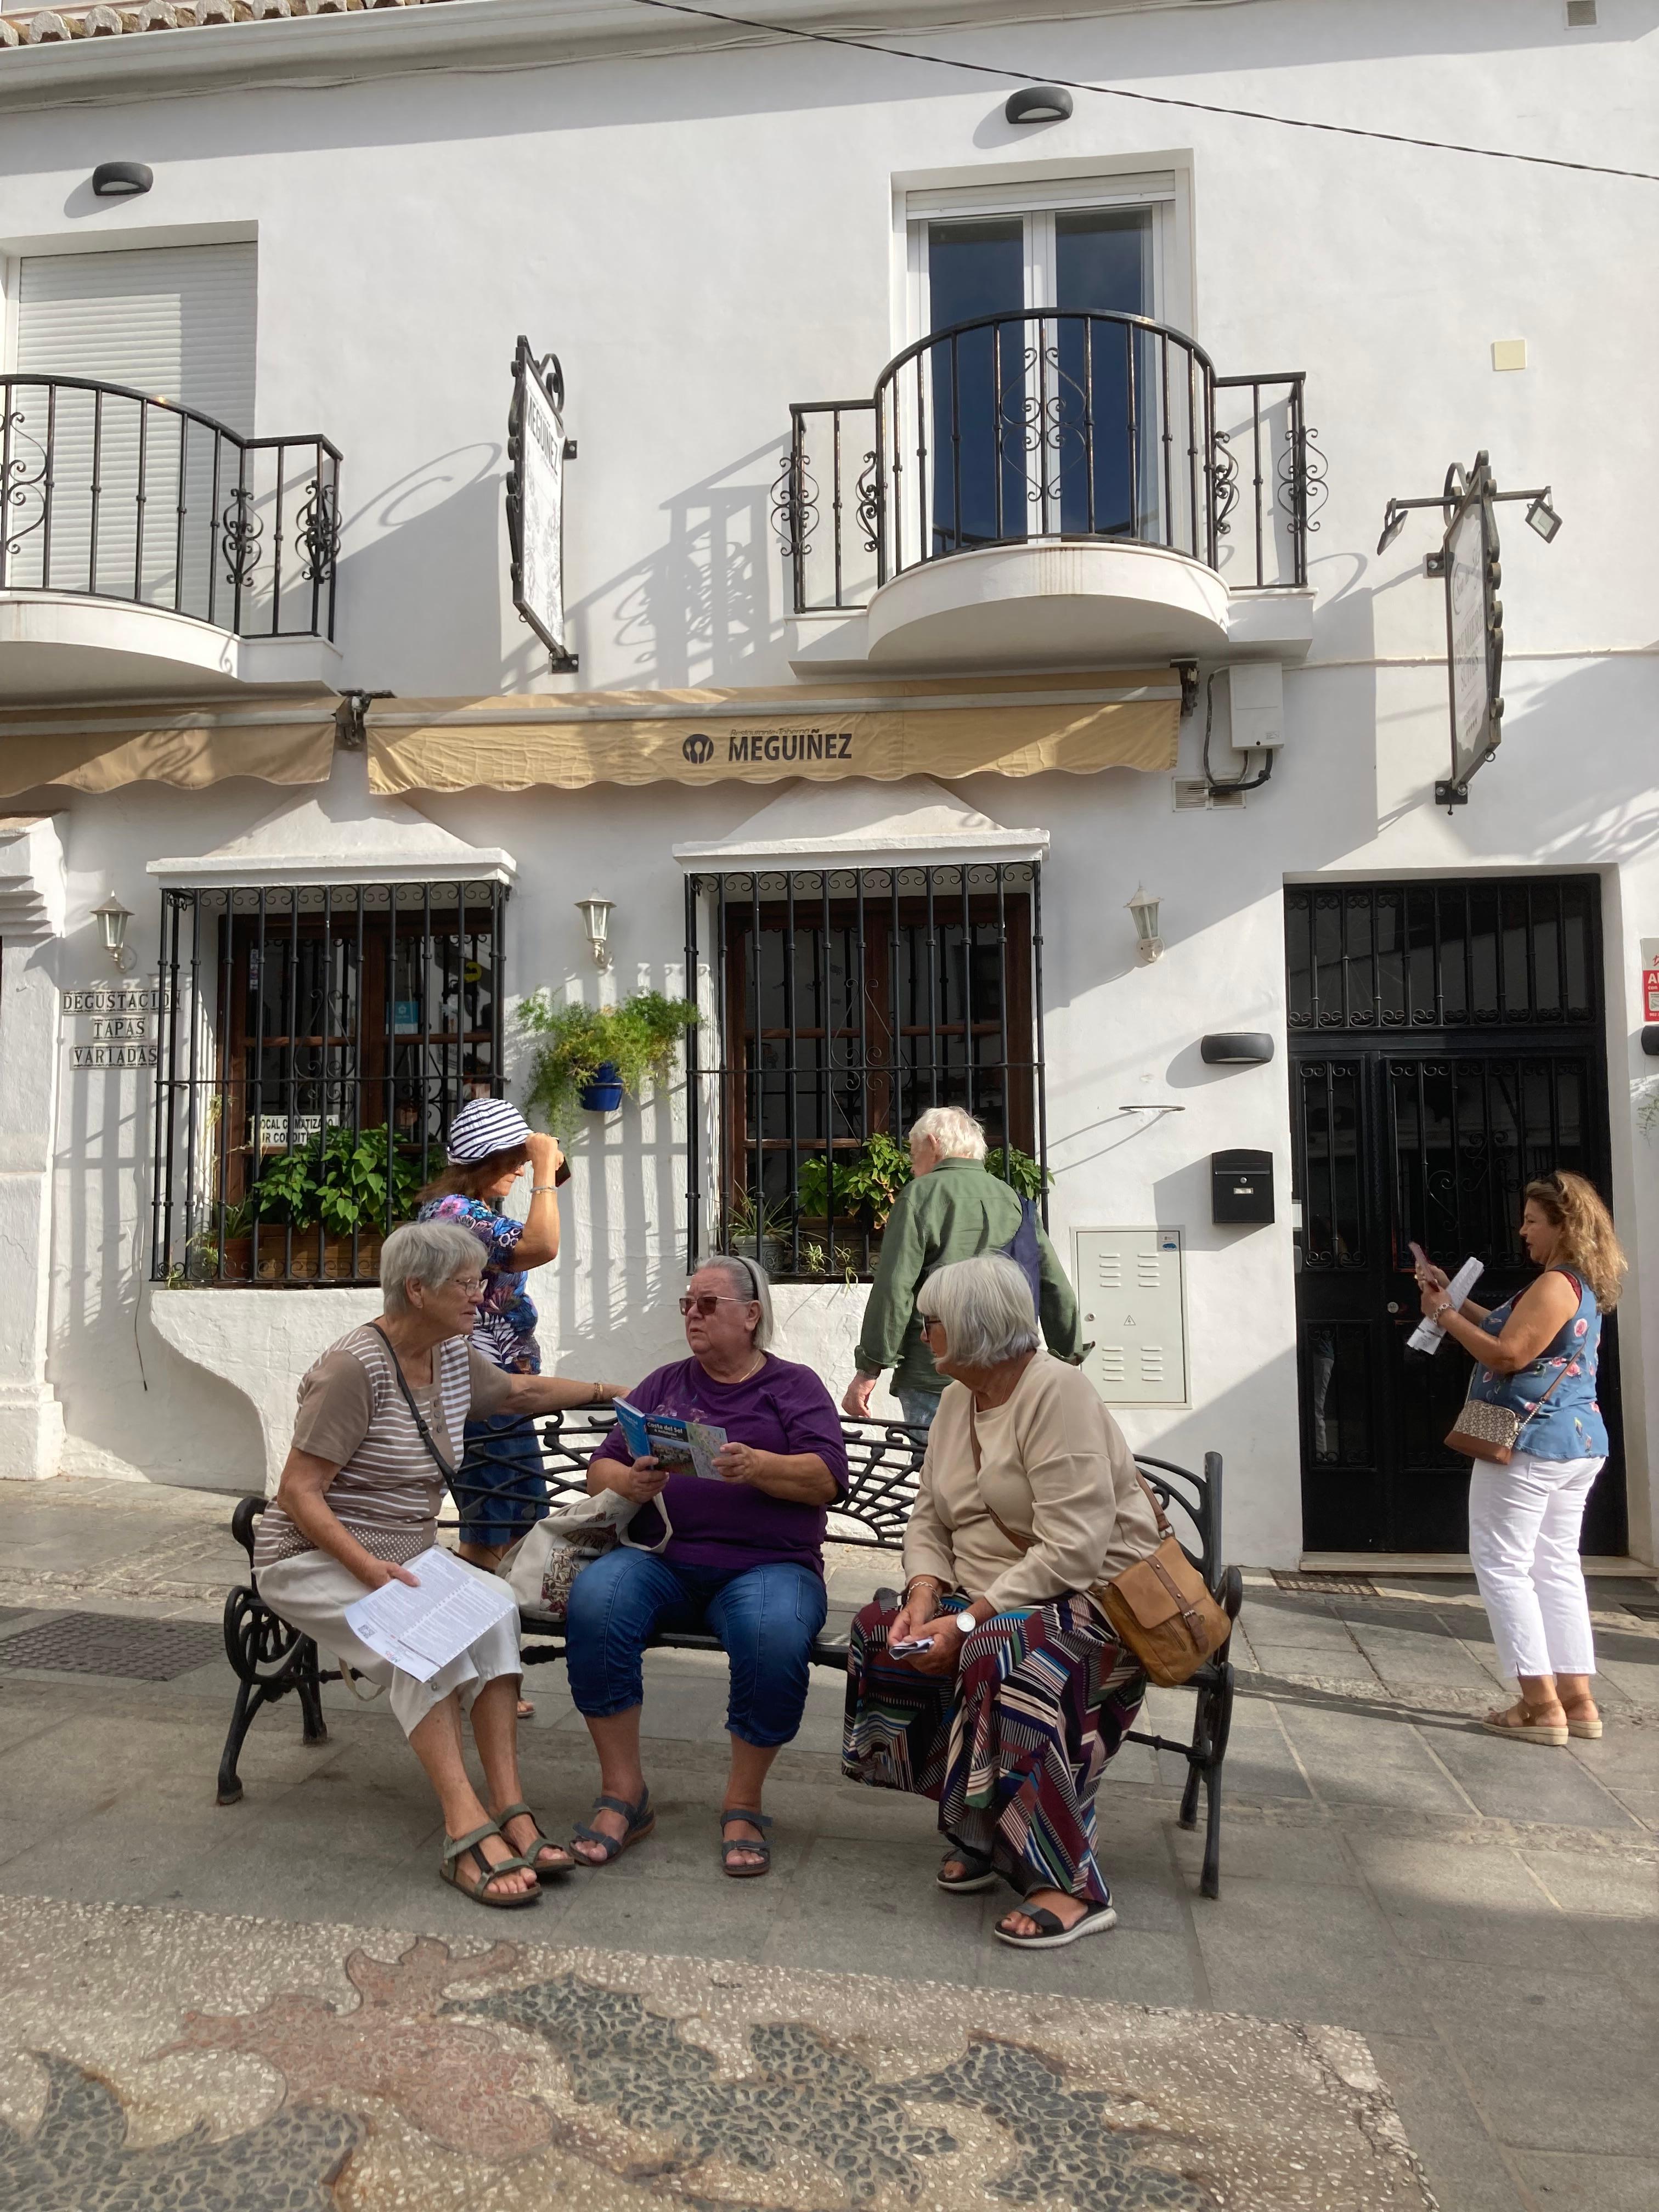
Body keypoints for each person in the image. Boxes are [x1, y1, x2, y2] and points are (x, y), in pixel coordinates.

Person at [255, 1220, 628, 1907]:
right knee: (424, 1642)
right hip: (313, 1555)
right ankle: (464, 1825)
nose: (482, 1297)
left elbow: (518, 1394)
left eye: (481, 1281)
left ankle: (511, 1808)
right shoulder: (351, 1369)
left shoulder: (452, 1356)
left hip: (406, 1551)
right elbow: (297, 1493)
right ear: (416, 1290)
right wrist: (368, 1571)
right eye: (467, 1284)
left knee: (492, 1614)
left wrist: (613, 1393)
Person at [843, 1253, 1163, 1950]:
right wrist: (923, 1595)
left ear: (973, 1330)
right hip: (991, 1597)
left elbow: (1073, 1552)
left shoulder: (1059, 1394)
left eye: (931, 1325)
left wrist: (965, 1620)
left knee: (1005, 1651)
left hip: (1093, 1601)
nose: (921, 1337)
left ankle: (1068, 1882)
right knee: (881, 1633)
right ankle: (980, 1825)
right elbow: (930, 1512)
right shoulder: (960, 1398)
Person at [566, 1255, 848, 1877]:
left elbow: (829, 1478)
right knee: (595, 1603)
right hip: (662, 1559)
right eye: (687, 1304)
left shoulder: (793, 1387)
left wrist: (763, 1467)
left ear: (751, 1315)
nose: (692, 1315)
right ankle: (624, 1794)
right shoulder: (666, 1383)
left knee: (773, 1637)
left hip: (768, 1566)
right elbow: (600, 1468)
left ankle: (743, 1804)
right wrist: (632, 1481)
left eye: (707, 1304)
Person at [1416, 1170, 1625, 1747]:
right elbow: (1515, 1332)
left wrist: (1443, 1318)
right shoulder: (1578, 1284)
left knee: (1504, 1566)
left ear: (1564, 1226)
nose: (1523, 1230)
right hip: (1577, 1441)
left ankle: (1539, 1704)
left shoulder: (1555, 1283)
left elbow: (1508, 1354)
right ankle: (1578, 1701)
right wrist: (1453, 1301)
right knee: (1555, 1567)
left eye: (1533, 1221)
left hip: (1528, 1442)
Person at [419, 1100, 564, 1726]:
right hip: (480, 1398)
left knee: (506, 1535)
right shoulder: (456, 1214)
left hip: (500, 1393)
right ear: (485, 1161)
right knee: (488, 1540)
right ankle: (449, 1666)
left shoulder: (476, 1212)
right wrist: (540, 1167)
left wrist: (543, 1170)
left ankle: (487, 1673)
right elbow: (542, 1244)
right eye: (509, 1160)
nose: (519, 1170)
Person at [841, 1107, 1083, 1432]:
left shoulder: (921, 1195)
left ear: (933, 1143)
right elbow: (1053, 1284)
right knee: (998, 1471)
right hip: (1004, 1371)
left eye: (914, 1155)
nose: (913, 1167)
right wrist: (1068, 1358)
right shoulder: (1011, 1197)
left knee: (939, 1473)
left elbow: (894, 1288)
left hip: (934, 1369)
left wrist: (869, 1369)